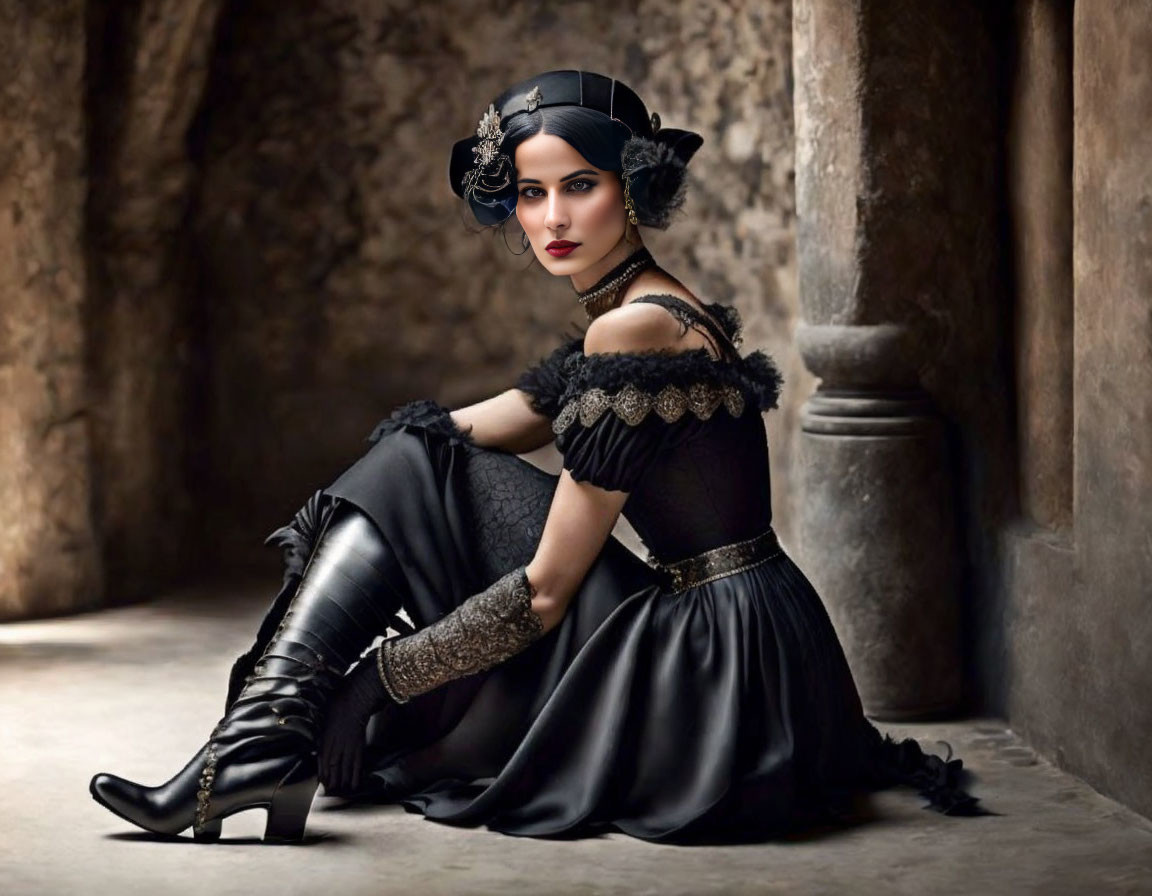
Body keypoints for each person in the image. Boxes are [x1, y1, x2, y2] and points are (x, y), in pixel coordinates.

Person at [89, 69, 980, 845]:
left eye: (579, 186)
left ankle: (257, 744)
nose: (550, 218)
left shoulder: (633, 328)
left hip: (713, 675)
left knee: (414, 471)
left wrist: (377, 684)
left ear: (630, 189)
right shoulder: (650, 304)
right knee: (415, 454)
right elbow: (492, 423)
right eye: (528, 192)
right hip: (762, 637)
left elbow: (545, 596)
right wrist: (403, 460)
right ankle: (262, 739)